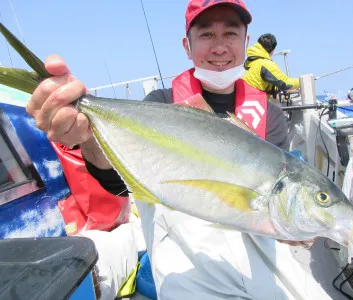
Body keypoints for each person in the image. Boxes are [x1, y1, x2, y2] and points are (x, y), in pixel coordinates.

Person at [27, 1, 325, 299]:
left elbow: (272, 208)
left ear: (246, 42)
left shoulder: (270, 115)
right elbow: (119, 183)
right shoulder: (160, 104)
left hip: (259, 252)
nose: (219, 47)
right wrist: (88, 136)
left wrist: (297, 229)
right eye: (206, 35)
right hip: (185, 255)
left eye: (230, 34)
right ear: (187, 45)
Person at [243, 33, 300, 99]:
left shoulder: (250, 60)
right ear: (273, 50)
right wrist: (303, 81)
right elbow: (285, 83)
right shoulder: (266, 64)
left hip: (245, 99)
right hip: (255, 102)